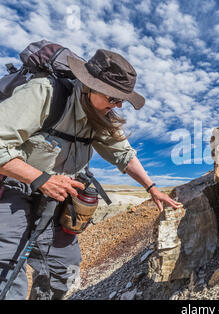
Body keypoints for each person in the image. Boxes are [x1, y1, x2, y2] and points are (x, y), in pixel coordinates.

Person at [0, 49, 182, 299]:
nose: (117, 105)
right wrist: (42, 179)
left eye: (122, 100)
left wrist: (152, 189)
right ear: (89, 86)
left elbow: (124, 155)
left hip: (56, 197)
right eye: (113, 97)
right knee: (7, 270)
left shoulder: (100, 116)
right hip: (12, 187)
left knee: (65, 269)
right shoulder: (44, 93)